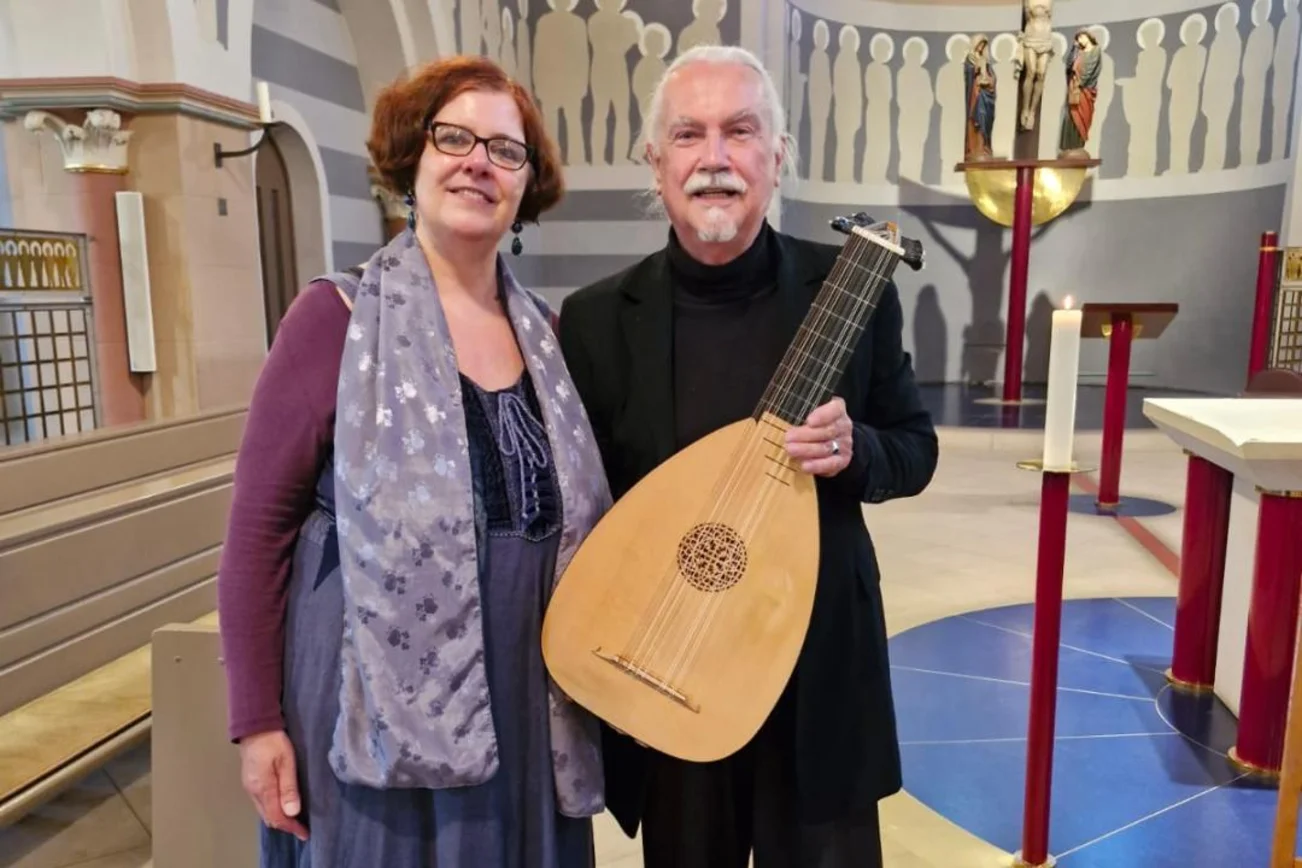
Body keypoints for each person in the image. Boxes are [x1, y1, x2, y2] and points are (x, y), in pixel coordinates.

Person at [216, 55, 612, 868]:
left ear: (526, 184)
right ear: (411, 158)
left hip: (527, 700)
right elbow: (257, 534)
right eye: (453, 137)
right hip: (372, 704)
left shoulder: (551, 336)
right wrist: (256, 723)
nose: (478, 163)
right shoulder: (334, 319)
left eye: (505, 150)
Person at [556, 44, 939, 868]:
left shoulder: (850, 288)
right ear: (655, 162)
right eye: (688, 134)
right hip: (675, 663)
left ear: (778, 155)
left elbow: (915, 447)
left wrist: (857, 451)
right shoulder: (596, 321)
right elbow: (585, 508)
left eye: (740, 130)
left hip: (816, 674)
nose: (715, 157)